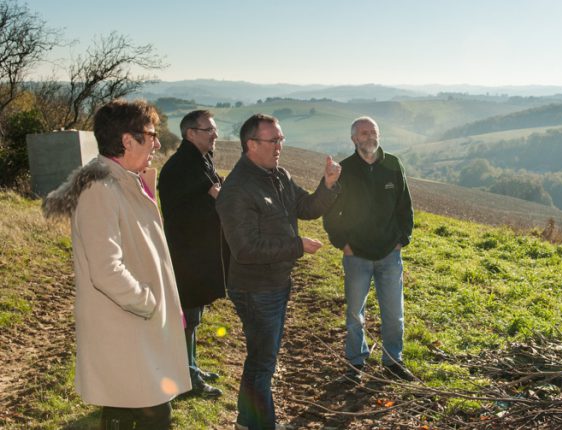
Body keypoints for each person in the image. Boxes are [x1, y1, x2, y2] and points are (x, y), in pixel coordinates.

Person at [42, 99, 190, 429]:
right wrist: (148, 301)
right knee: (149, 414)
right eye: (151, 134)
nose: (157, 143)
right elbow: (106, 269)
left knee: (132, 413)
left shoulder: (129, 182)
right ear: (127, 140)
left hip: (136, 328)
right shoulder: (101, 190)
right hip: (127, 327)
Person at [216, 113, 341, 430]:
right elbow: (245, 249)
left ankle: (248, 422)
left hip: (276, 283)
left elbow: (308, 208)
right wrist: (297, 246)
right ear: (251, 144)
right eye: (273, 140)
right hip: (255, 289)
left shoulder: (279, 175)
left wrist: (327, 185)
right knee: (262, 363)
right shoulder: (237, 189)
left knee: (261, 360)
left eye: (281, 139)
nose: (279, 146)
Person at [323, 116, 415, 384]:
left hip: (389, 254)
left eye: (373, 132)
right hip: (357, 256)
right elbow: (331, 213)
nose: (370, 137)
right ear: (354, 139)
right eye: (363, 133)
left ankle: (393, 361)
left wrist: (402, 240)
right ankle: (355, 363)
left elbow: (404, 208)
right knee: (354, 314)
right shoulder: (345, 170)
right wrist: (344, 244)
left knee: (394, 314)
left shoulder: (393, 165)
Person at [158, 110, 228, 399]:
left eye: (214, 129)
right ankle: (187, 377)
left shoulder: (199, 159)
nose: (215, 134)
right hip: (187, 256)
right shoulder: (180, 167)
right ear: (190, 133)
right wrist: (213, 198)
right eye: (208, 130)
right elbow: (178, 213)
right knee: (186, 318)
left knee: (193, 316)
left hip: (198, 254)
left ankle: (192, 366)